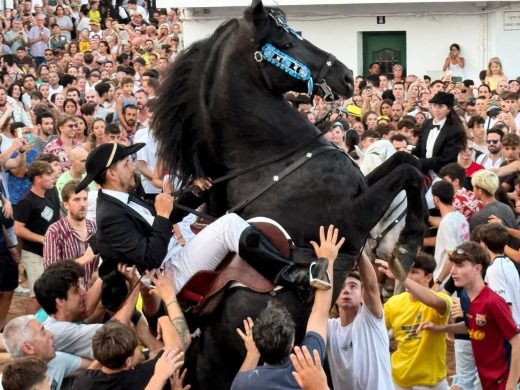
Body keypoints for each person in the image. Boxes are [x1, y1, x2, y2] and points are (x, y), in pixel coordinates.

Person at [76, 143, 331, 312]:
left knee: (231, 221)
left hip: (175, 257)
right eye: (126, 163)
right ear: (111, 173)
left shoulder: (125, 196)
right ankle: (293, 276)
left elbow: (170, 212)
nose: (133, 166)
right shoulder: (109, 215)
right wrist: (163, 217)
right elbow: (150, 255)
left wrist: (196, 192)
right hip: (167, 275)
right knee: (229, 224)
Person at [231, 225, 344, 389]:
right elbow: (320, 312)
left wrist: (252, 355)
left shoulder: (243, 384)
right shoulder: (306, 365)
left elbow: (239, 381)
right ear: (292, 343)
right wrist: (327, 261)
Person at [419, 241, 520, 390]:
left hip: (503, 382)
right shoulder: (466, 298)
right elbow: (470, 325)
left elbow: (517, 342)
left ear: (478, 268)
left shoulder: (493, 302)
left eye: (460, 266)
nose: (453, 271)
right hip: (486, 380)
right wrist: (440, 328)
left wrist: (510, 387)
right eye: (453, 265)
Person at [379, 253, 452, 389]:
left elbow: (433, 301)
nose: (407, 275)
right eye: (405, 271)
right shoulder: (393, 303)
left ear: (429, 277)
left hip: (432, 383)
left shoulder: (442, 299)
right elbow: (377, 331)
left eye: (413, 272)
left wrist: (401, 278)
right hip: (398, 379)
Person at [326, 251, 393, 389]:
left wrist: (358, 248)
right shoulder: (329, 327)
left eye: (353, 286)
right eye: (342, 287)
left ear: (362, 295)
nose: (346, 291)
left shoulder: (371, 319)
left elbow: (371, 286)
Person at [14, 161, 60, 311]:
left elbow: (56, 219)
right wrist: (43, 239)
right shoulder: (26, 202)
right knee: (38, 297)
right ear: (37, 178)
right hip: (33, 254)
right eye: (48, 174)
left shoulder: (50, 195)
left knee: (50, 295)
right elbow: (18, 229)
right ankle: (29, 330)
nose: (52, 177)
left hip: (50, 254)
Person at [1, 315, 89, 389]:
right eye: (43, 332)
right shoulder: (7, 386)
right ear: (28, 348)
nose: (51, 334)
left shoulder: (57, 360)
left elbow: (96, 369)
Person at [43, 181, 99, 290]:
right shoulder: (55, 231)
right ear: (66, 205)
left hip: (93, 295)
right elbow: (51, 273)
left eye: (85, 199)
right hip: (68, 296)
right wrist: (83, 259)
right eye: (77, 200)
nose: (82, 204)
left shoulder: (95, 228)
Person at [413, 92, 466, 180]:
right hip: (424, 173)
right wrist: (411, 156)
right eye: (434, 106)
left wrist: (420, 162)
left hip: (444, 175)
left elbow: (447, 158)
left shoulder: (455, 129)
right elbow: (419, 147)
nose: (437, 110)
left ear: (448, 109)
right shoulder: (427, 123)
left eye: (441, 106)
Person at [477, 223, 520, 328]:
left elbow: (504, 306)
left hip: (510, 331)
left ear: (484, 244)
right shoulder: (508, 262)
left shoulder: (495, 270)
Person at [430, 180, 469, 287]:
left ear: (436, 199)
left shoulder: (447, 222)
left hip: (447, 281)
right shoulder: (461, 217)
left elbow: (453, 257)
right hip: (461, 278)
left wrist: (438, 282)